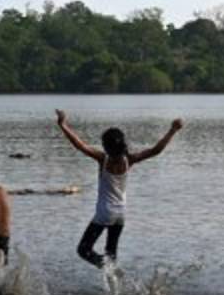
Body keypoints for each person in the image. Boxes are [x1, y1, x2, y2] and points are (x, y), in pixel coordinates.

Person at [55, 110, 184, 269]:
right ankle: (114, 284)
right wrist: (173, 130)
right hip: (121, 214)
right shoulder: (129, 160)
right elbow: (155, 150)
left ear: (106, 147)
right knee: (111, 254)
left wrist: (62, 124)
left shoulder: (103, 159)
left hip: (104, 213)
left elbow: (79, 145)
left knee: (83, 250)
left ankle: (106, 267)